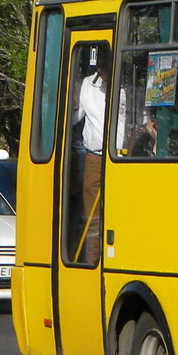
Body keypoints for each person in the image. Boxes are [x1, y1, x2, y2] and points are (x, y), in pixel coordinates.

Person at [74, 46, 109, 265]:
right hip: (95, 158)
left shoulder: (131, 84)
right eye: (101, 68)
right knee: (93, 220)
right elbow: (73, 116)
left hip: (126, 160)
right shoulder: (87, 85)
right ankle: (91, 264)